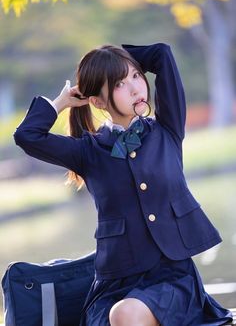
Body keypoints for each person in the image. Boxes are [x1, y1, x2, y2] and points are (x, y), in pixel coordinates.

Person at [14, 42, 233, 326]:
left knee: (126, 315)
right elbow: (27, 136)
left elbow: (162, 54)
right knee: (120, 313)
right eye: (119, 84)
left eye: (136, 76)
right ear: (98, 101)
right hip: (114, 287)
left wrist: (113, 57)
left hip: (173, 281)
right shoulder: (88, 151)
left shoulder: (167, 129)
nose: (135, 88)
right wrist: (63, 101)